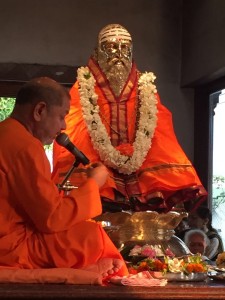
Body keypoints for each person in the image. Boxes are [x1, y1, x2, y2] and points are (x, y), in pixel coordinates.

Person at [52, 23, 207, 214]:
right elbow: (72, 130)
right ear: (98, 51)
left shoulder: (146, 89)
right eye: (111, 47)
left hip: (142, 179)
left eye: (125, 48)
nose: (119, 54)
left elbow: (162, 134)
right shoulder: (83, 89)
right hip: (99, 179)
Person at [0, 77, 128, 283]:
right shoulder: (25, 146)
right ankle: (107, 281)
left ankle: (89, 271)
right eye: (61, 116)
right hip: (9, 248)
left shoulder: (6, 133)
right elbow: (51, 219)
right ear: (39, 111)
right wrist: (93, 184)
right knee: (92, 236)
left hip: (10, 239)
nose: (63, 126)